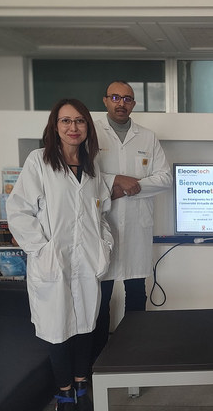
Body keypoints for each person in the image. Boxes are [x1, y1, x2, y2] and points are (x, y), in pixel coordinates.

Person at [6, 99, 113, 411]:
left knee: (84, 329)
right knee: (58, 330)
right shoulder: (38, 161)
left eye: (79, 121)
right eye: (66, 121)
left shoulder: (92, 167)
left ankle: (82, 384)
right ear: (55, 127)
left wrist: (103, 247)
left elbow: (101, 214)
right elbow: (19, 211)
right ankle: (65, 394)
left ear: (87, 127)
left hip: (87, 263)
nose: (73, 127)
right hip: (53, 263)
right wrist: (42, 250)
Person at [92, 81, 172, 360]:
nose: (121, 103)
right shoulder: (91, 133)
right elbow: (82, 178)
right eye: (115, 97)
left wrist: (127, 186)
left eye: (127, 99)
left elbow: (164, 178)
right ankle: (98, 357)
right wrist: (115, 180)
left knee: (136, 293)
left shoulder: (147, 137)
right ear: (105, 100)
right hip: (102, 224)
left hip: (137, 226)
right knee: (100, 298)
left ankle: (133, 354)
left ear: (134, 104)